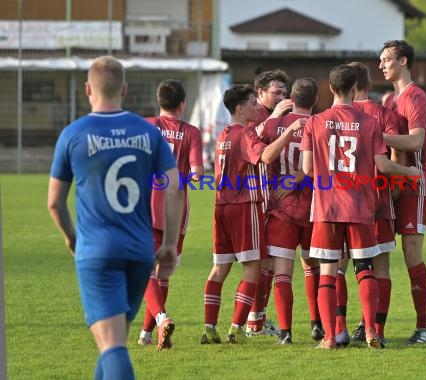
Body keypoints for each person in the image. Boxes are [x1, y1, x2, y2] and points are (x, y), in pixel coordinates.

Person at [47, 56, 183, 379]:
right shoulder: (147, 133)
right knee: (113, 341)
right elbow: (175, 186)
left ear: (87, 89)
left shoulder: (73, 134)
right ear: (123, 89)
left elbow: (54, 202)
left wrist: (72, 237)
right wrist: (168, 243)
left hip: (97, 252)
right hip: (139, 252)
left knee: (113, 347)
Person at [300, 64, 421, 349]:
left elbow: (307, 169)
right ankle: (371, 332)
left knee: (328, 273)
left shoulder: (314, 123)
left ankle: (330, 337)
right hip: (360, 207)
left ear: (330, 88)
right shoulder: (369, 124)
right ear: (355, 89)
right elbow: (382, 164)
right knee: (366, 270)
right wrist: (409, 173)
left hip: (326, 208)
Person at [200, 84, 305, 344]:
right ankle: (236, 329)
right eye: (251, 102)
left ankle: (208, 327)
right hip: (243, 207)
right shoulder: (244, 134)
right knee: (252, 268)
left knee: (219, 269)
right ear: (239, 109)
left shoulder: (223, 134)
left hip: (220, 206)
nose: (256, 106)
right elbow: (267, 157)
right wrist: (290, 130)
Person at [137, 79, 204, 349]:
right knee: (161, 273)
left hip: (145, 208)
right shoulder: (191, 132)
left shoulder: (145, 125)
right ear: (182, 104)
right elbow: (198, 175)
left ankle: (162, 318)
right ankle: (146, 334)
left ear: (159, 101)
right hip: (176, 213)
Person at [258, 77, 322, 344]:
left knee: (283, 272)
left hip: (281, 208)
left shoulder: (273, 124)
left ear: (290, 99)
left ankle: (285, 333)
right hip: (314, 206)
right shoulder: (322, 125)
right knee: (314, 268)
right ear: (315, 101)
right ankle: (317, 324)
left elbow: (255, 147)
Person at [379, 40, 426, 344]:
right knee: (379, 251)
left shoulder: (416, 98)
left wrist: (374, 135)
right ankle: (371, 324)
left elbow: (414, 142)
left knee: (411, 253)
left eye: (386, 59)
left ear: (403, 61)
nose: (381, 65)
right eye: (380, 60)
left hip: (414, 182)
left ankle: (424, 328)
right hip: (391, 183)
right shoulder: (388, 99)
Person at [347, 61, 405, 348]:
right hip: (378, 200)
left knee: (338, 268)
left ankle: (338, 330)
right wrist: (393, 191)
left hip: (342, 203)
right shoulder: (383, 114)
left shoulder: (333, 116)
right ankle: (376, 329)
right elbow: (397, 155)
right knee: (381, 268)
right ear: (368, 85)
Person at [246, 69, 293, 336]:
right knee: (262, 262)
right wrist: (276, 116)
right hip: (257, 197)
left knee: (268, 262)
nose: (281, 97)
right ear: (260, 92)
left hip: (274, 197)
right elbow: (256, 144)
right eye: (276, 93)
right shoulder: (256, 115)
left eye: (284, 93)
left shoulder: (282, 116)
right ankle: (254, 321)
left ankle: (257, 320)